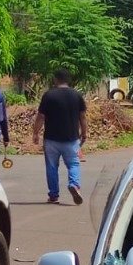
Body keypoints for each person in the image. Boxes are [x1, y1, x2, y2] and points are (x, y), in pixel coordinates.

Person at [32, 69, 87, 205]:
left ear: (55, 79)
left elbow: (41, 117)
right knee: (73, 164)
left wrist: (35, 133)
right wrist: (84, 133)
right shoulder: (77, 95)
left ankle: (53, 195)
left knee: (51, 167)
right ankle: (74, 185)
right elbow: (82, 116)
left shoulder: (48, 95)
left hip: (51, 139)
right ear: (68, 80)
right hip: (71, 138)